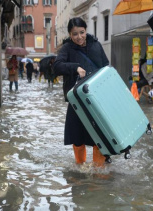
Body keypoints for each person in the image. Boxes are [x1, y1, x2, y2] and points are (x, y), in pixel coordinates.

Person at [53, 17, 109, 166]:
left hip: (96, 98)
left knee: (100, 133)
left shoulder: (96, 45)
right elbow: (57, 66)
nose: (79, 37)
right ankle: (80, 167)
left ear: (86, 30)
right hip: (76, 99)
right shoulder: (66, 49)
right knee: (77, 135)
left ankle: (99, 169)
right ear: (70, 35)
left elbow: (106, 66)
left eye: (82, 32)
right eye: (75, 34)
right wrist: (75, 67)